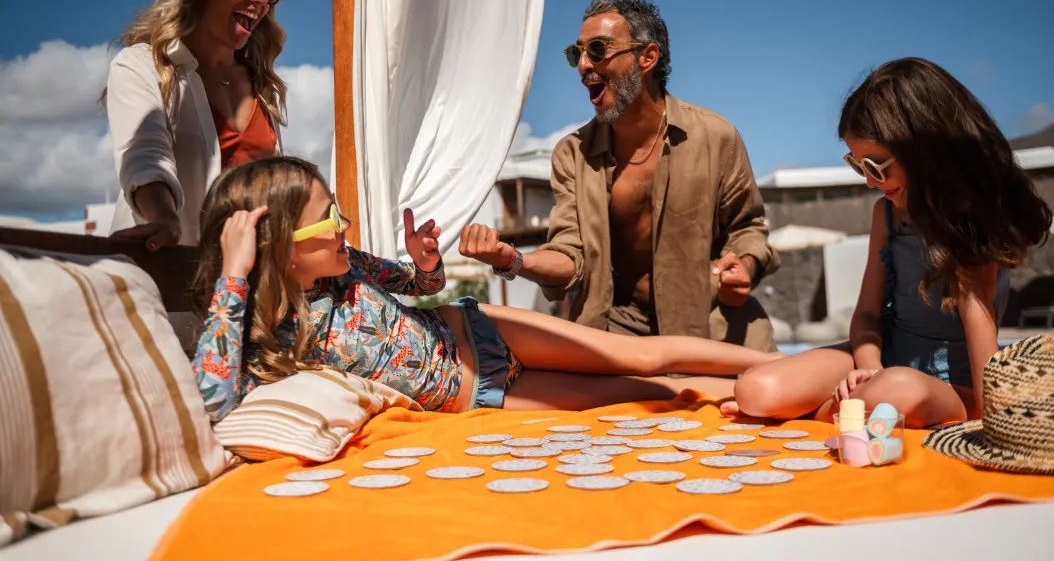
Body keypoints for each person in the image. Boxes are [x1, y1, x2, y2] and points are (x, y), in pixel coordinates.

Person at [190, 157, 785, 421]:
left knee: (644, 353)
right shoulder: (265, 333)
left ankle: (780, 369)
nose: (344, 226)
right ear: (273, 245)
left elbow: (422, 286)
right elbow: (213, 402)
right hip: (479, 398)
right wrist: (233, 277)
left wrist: (425, 263)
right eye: (327, 219)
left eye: (339, 210)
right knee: (644, 391)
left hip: (482, 331)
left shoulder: (346, 266)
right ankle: (770, 394)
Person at [722, 58, 1052, 428]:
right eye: (857, 165)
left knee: (897, 391)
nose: (868, 181)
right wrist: (869, 369)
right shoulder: (887, 215)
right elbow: (866, 315)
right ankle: (840, 411)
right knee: (756, 389)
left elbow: (981, 328)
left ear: (925, 150)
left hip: (952, 387)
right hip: (885, 363)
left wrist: (992, 416)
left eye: (877, 167)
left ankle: (817, 414)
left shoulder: (969, 221)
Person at [459, 0, 780, 350]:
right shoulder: (573, 154)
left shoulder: (716, 137)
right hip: (615, 340)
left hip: (712, 331)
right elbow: (570, 254)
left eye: (598, 49)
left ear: (647, 57)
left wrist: (744, 267)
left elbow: (748, 228)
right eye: (575, 53)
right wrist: (513, 260)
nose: (583, 65)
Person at [104, 0, 288, 250]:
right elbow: (145, 157)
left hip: (246, 287)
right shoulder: (140, 65)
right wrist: (163, 218)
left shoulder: (264, 87)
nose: (262, 0)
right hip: (164, 280)